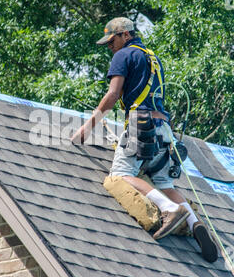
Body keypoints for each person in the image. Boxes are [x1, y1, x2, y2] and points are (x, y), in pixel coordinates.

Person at [71, 17, 218, 263]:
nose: (110, 46)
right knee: (165, 184)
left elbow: (113, 94)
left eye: (112, 40)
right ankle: (194, 222)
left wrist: (87, 127)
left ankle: (170, 210)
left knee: (120, 175)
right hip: (164, 130)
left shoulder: (124, 56)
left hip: (141, 126)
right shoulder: (153, 58)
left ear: (126, 35)